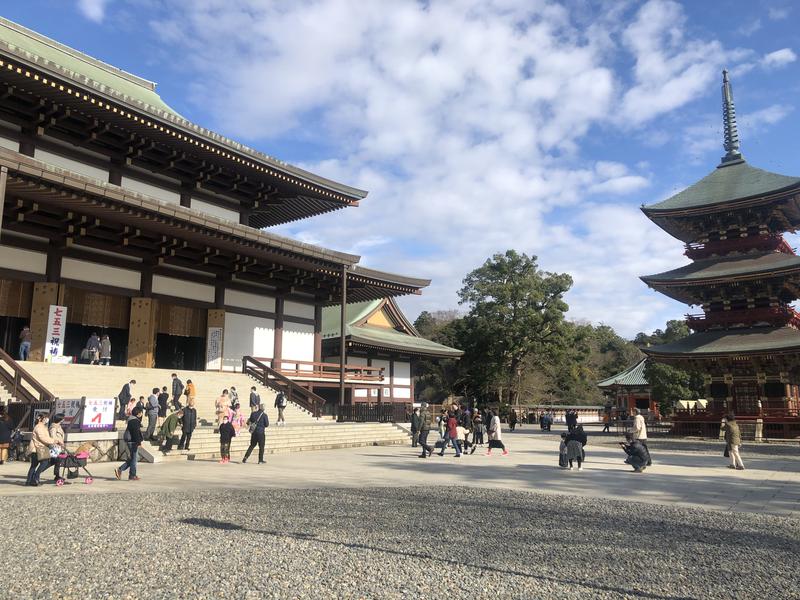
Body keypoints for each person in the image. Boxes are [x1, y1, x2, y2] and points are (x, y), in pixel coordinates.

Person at [26, 413, 55, 486]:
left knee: (34, 465)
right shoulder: (39, 427)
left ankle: (29, 481)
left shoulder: (42, 427)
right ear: (41, 418)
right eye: (45, 418)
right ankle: (35, 477)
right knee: (44, 463)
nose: (47, 419)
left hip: (36, 448)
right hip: (38, 448)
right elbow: (43, 438)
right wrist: (53, 441)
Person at [115, 407, 143, 481]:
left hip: (131, 441)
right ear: (138, 413)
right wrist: (138, 442)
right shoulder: (134, 421)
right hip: (133, 441)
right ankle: (132, 475)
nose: (141, 414)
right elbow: (135, 432)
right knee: (134, 459)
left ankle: (121, 469)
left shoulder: (131, 419)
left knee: (133, 458)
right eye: (141, 412)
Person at [37, 414, 65, 482]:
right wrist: (59, 441)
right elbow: (53, 437)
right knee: (55, 461)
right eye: (63, 418)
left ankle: (56, 475)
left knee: (55, 461)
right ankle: (38, 473)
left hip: (58, 446)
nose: (64, 419)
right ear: (60, 419)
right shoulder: (53, 427)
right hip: (55, 447)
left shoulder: (58, 426)